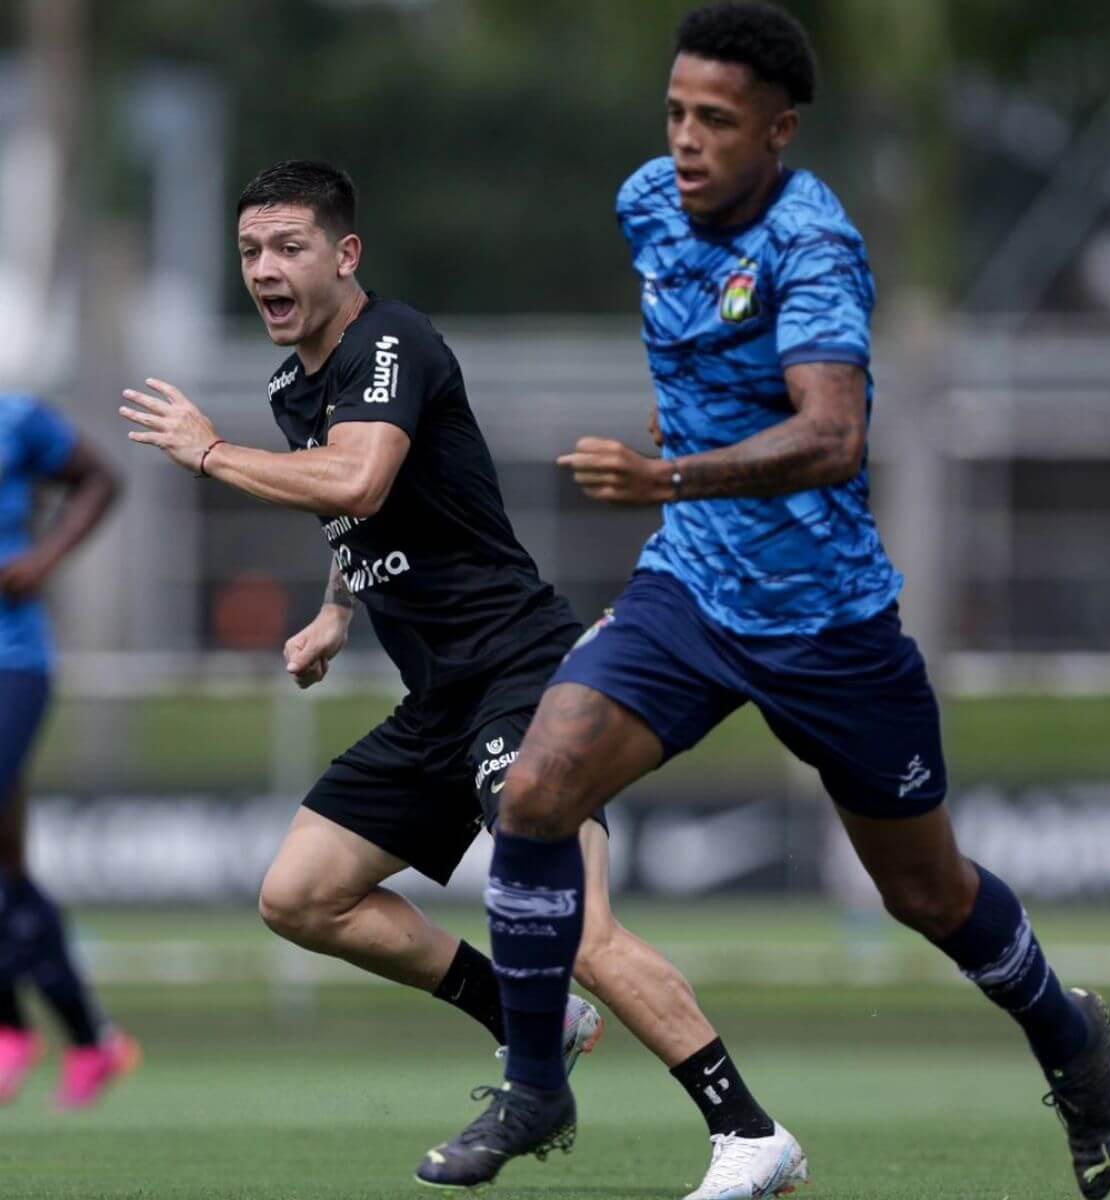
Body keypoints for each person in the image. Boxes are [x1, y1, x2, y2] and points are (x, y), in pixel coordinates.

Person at [421, 6, 1110, 1199]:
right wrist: (683, 457)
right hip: (691, 593)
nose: (687, 141)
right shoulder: (647, 202)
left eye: (717, 121)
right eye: (676, 112)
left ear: (779, 132)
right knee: (536, 791)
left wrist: (670, 471)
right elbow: (701, 360)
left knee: (927, 892)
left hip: (829, 625)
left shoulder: (815, 245)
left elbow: (832, 432)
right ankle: (537, 1081)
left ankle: (1069, 1036)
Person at [119, 158, 800, 1197]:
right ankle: (529, 1019)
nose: (265, 268)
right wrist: (337, 609)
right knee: (301, 895)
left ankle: (750, 1132)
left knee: (575, 923)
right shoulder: (295, 384)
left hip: (524, 675)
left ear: (346, 255)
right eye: (251, 250)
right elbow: (357, 513)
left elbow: (358, 475)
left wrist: (211, 454)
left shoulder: (393, 341)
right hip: (441, 696)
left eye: (289, 247)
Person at [0, 394, 135, 1109]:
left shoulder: (14, 418)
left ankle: (19, 1032)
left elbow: (102, 477)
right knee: (9, 864)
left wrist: (45, 557)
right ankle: (85, 1037)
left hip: (10, 659)